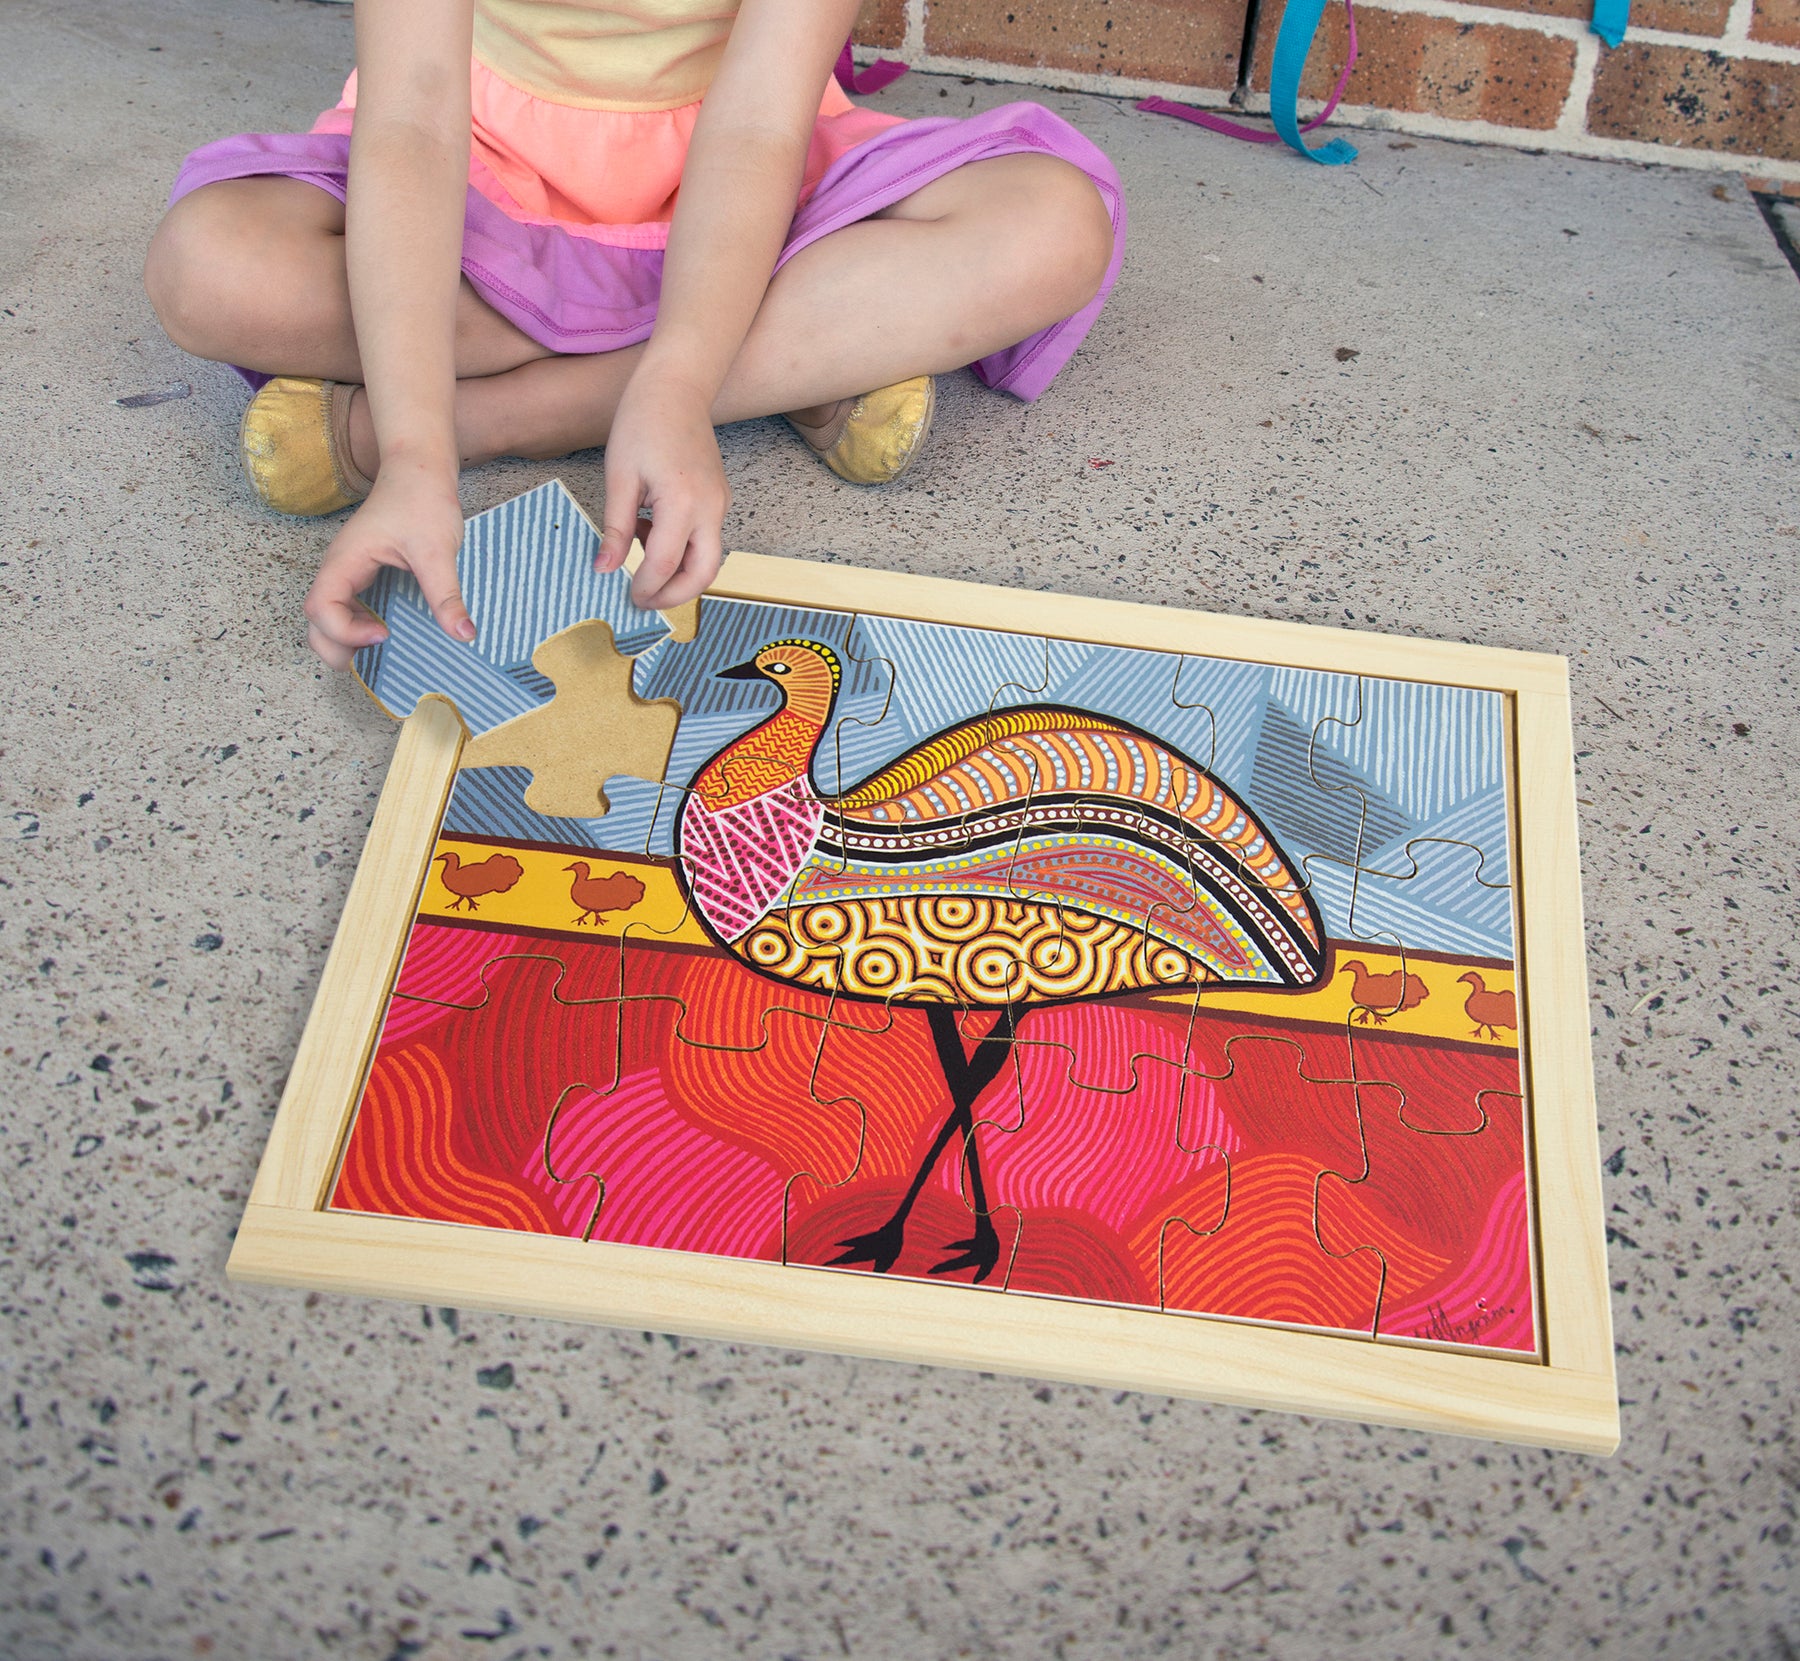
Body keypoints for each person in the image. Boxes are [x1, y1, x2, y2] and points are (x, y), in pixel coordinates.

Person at [144, 0, 1123, 669]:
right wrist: (409, 453)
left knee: (1053, 226)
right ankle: (802, 364)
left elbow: (755, 131)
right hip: (483, 175)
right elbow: (410, 124)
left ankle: (511, 414)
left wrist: (681, 385)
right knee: (210, 266)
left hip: (741, 175)